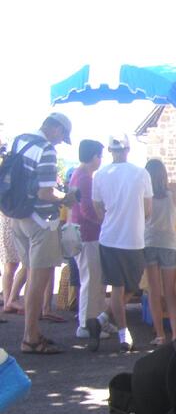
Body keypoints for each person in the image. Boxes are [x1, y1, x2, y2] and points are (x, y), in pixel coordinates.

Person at [10, 113, 76, 354]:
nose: (60, 142)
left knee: (30, 276)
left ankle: (32, 333)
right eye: (62, 136)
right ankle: (31, 337)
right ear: (56, 129)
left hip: (18, 216)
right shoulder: (46, 150)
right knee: (38, 282)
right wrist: (66, 197)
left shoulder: (20, 141)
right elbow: (45, 193)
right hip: (40, 221)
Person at [92, 134, 153, 353]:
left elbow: (98, 209)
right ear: (127, 149)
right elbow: (148, 210)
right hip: (133, 238)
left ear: (110, 150)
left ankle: (102, 319)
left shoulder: (99, 175)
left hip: (109, 237)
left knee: (119, 287)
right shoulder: (141, 173)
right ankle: (122, 333)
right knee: (128, 286)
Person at [69, 139, 110, 348]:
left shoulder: (78, 175)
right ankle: (85, 325)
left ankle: (96, 319)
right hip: (88, 236)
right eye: (100, 156)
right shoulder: (85, 178)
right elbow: (87, 210)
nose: (101, 160)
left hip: (82, 235)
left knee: (93, 280)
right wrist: (104, 221)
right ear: (94, 157)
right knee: (91, 280)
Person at [143, 159, 176, 345]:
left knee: (155, 291)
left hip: (150, 242)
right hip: (169, 244)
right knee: (170, 293)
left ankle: (160, 335)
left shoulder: (146, 196)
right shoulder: (173, 196)